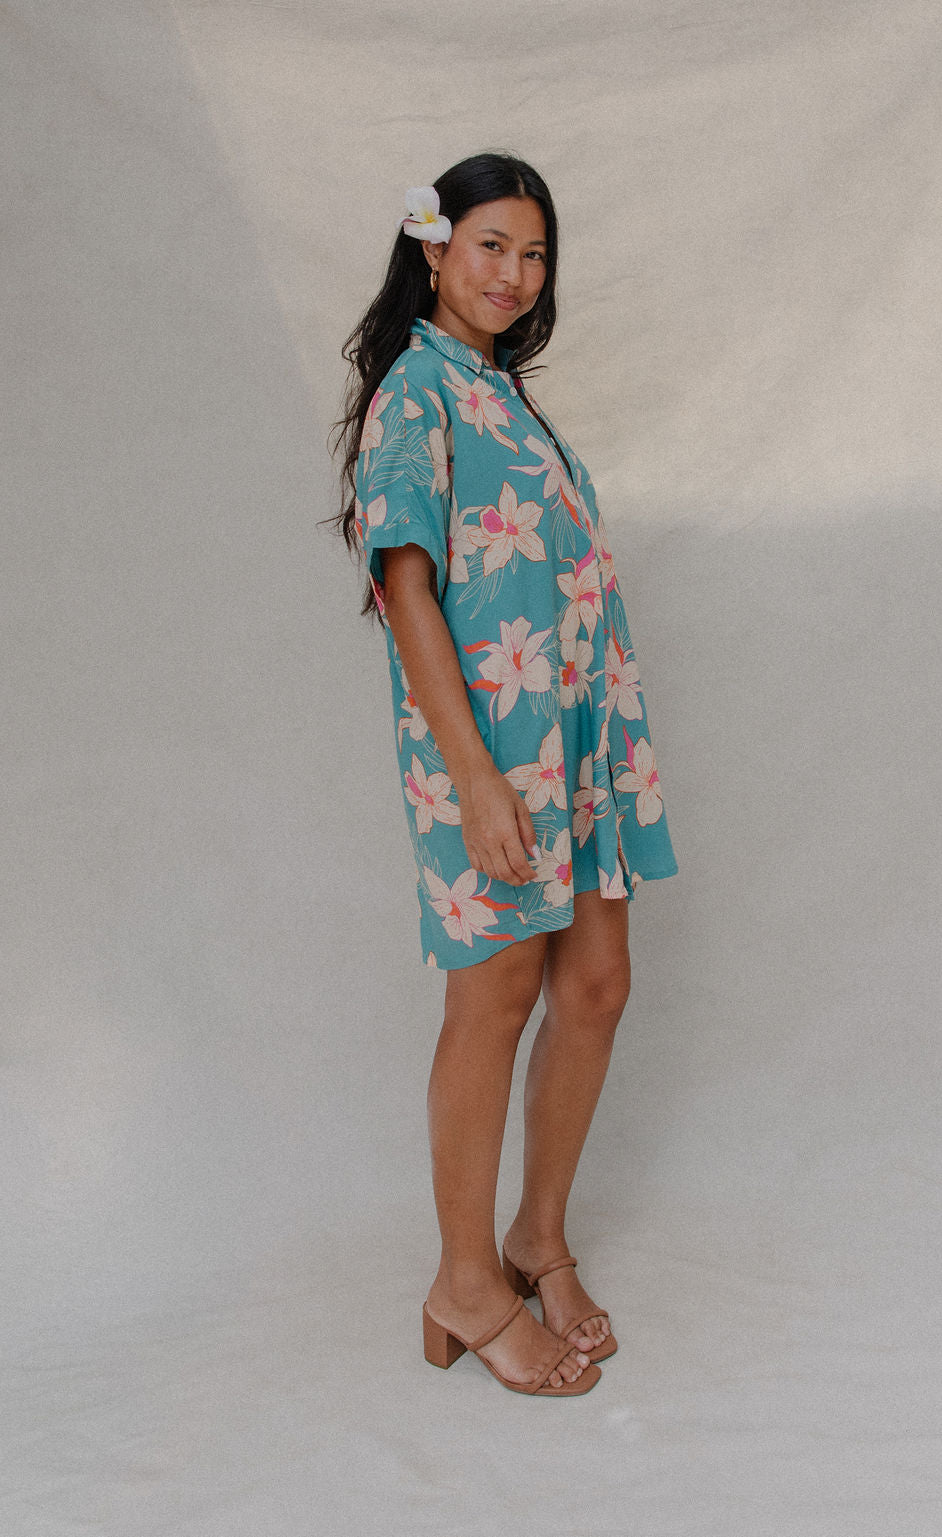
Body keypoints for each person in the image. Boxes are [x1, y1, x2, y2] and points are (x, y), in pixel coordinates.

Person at [330, 152, 677, 1396]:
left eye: (532, 254)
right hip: (489, 749)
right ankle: (464, 1283)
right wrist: (476, 776)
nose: (514, 275)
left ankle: (538, 1235)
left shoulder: (500, 393)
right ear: (433, 249)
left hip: (579, 742)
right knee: (496, 997)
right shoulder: (410, 396)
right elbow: (405, 581)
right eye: (490, 245)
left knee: (595, 980)